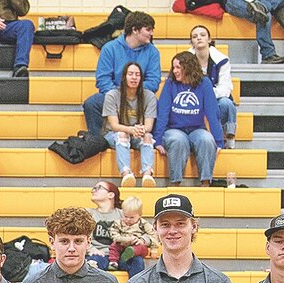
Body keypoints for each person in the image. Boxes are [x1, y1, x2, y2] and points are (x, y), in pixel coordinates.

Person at [82, 11, 158, 139]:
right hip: (115, 94)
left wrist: (133, 92)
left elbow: (153, 81)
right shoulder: (109, 48)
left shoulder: (152, 51)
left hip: (139, 95)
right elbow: (103, 80)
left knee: (156, 103)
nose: (151, 33)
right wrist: (120, 94)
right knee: (92, 103)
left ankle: (145, 138)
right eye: (148, 29)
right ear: (135, 30)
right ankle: (100, 140)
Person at [154, 52, 223, 188]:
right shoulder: (170, 83)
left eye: (178, 67)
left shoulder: (204, 83)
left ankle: (205, 183)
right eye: (173, 67)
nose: (175, 71)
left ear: (189, 67)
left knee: (206, 140)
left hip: (196, 129)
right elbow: (163, 112)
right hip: (174, 129)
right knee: (178, 140)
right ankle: (175, 184)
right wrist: (158, 139)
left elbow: (212, 112)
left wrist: (218, 141)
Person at [103, 61, 157, 187]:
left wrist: (139, 130)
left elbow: (149, 126)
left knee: (148, 136)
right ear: (124, 76)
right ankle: (126, 174)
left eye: (137, 75)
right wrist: (130, 129)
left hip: (137, 134)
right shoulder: (112, 95)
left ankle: (147, 174)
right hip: (114, 134)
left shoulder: (149, 96)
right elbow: (114, 126)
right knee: (122, 134)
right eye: (130, 74)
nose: (134, 77)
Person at [187, 26, 238, 149]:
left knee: (226, 103)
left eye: (202, 35)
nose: (199, 38)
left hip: (216, 97)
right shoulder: (186, 60)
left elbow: (225, 89)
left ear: (209, 39)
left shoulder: (222, 60)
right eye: (195, 36)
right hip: (194, 99)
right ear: (192, 42)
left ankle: (229, 136)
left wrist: (207, 94)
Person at [222, 0, 284, 65]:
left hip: (257, 2)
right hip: (236, 2)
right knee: (263, 14)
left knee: (263, 14)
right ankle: (268, 55)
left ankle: (262, 6)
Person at [108, 196, 155, 277]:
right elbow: (113, 235)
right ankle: (113, 262)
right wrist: (125, 239)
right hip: (123, 247)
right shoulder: (118, 223)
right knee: (114, 245)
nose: (128, 220)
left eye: (131, 217)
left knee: (141, 251)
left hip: (137, 246)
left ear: (140, 215)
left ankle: (132, 252)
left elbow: (153, 235)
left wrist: (144, 242)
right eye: (125, 216)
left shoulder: (143, 224)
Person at [86, 180, 122, 270]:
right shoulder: (88, 214)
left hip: (119, 255)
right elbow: (80, 236)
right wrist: (91, 249)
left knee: (137, 260)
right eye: (94, 188)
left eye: (98, 188)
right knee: (94, 261)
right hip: (97, 254)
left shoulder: (123, 214)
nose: (93, 191)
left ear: (111, 195)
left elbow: (143, 229)